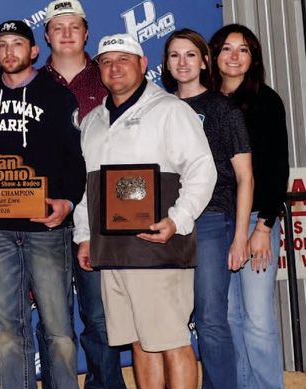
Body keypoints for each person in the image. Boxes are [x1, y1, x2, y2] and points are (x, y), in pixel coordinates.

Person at [75, 33, 215, 389]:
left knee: (171, 342)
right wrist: (84, 236)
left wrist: (177, 220)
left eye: (124, 59)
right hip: (112, 253)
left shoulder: (170, 110)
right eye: (106, 62)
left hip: (158, 249)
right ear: (99, 71)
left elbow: (202, 168)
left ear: (142, 65)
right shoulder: (92, 121)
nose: (114, 67)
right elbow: (84, 188)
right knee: (139, 342)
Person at [0, 20, 84, 389]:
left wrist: (69, 203)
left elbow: (77, 158)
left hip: (46, 226)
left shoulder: (58, 96)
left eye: (17, 44)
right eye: (2, 45)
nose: (9, 51)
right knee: (10, 328)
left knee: (58, 328)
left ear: (33, 51)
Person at [162, 28, 253, 388]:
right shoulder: (160, 108)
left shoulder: (222, 108)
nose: (182, 62)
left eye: (189, 55)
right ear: (166, 65)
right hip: (167, 223)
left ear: (203, 61)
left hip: (212, 221)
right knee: (170, 320)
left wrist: (241, 235)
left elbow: (245, 176)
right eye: (174, 56)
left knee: (211, 319)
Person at [38, 3, 123, 386]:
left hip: (101, 211)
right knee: (54, 317)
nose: (67, 33)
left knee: (100, 314)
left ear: (86, 33)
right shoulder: (32, 84)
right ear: (47, 35)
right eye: (59, 27)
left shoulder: (111, 77)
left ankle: (106, 384)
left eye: (74, 26)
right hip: (48, 215)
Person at [211, 24, 291, 389]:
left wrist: (264, 228)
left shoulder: (267, 101)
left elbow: (277, 169)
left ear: (253, 58)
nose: (234, 56)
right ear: (214, 55)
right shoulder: (206, 101)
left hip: (259, 220)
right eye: (227, 48)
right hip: (218, 223)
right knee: (229, 316)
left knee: (257, 317)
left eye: (243, 50)